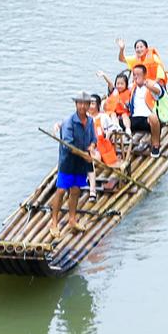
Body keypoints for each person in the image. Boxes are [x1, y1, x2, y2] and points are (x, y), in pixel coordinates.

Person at [52, 95, 95, 234]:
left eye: (85, 104)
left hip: (81, 162)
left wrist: (92, 147)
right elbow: (68, 145)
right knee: (61, 190)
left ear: (89, 105)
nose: (83, 107)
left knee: (76, 190)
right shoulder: (69, 122)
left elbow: (93, 139)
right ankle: (54, 223)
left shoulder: (90, 121)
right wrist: (84, 155)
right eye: (80, 104)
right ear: (76, 105)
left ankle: (72, 219)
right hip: (68, 161)